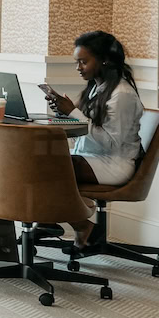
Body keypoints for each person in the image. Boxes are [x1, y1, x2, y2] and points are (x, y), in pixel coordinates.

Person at [43, 29, 144, 240]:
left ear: (104, 60)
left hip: (114, 164)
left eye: (83, 62)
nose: (78, 68)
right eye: (76, 62)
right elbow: (85, 130)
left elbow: (111, 144)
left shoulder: (122, 95)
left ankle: (79, 226)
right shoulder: (95, 88)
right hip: (92, 158)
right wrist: (63, 113)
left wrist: (72, 112)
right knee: (39, 162)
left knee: (49, 167)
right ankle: (46, 220)